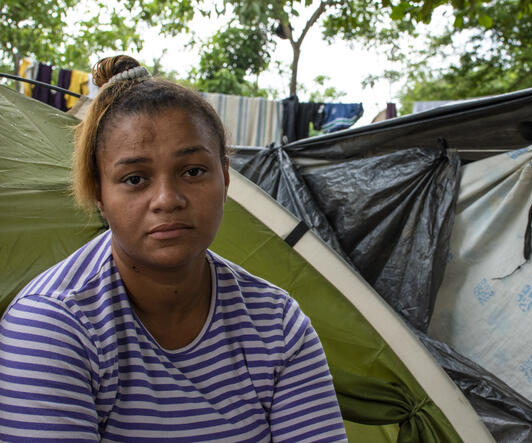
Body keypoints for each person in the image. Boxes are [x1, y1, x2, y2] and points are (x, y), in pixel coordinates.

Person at [0, 55, 348, 442]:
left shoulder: (276, 324)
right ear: (99, 194)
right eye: (135, 179)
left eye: (193, 171)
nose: (167, 199)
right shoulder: (53, 325)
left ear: (226, 177)